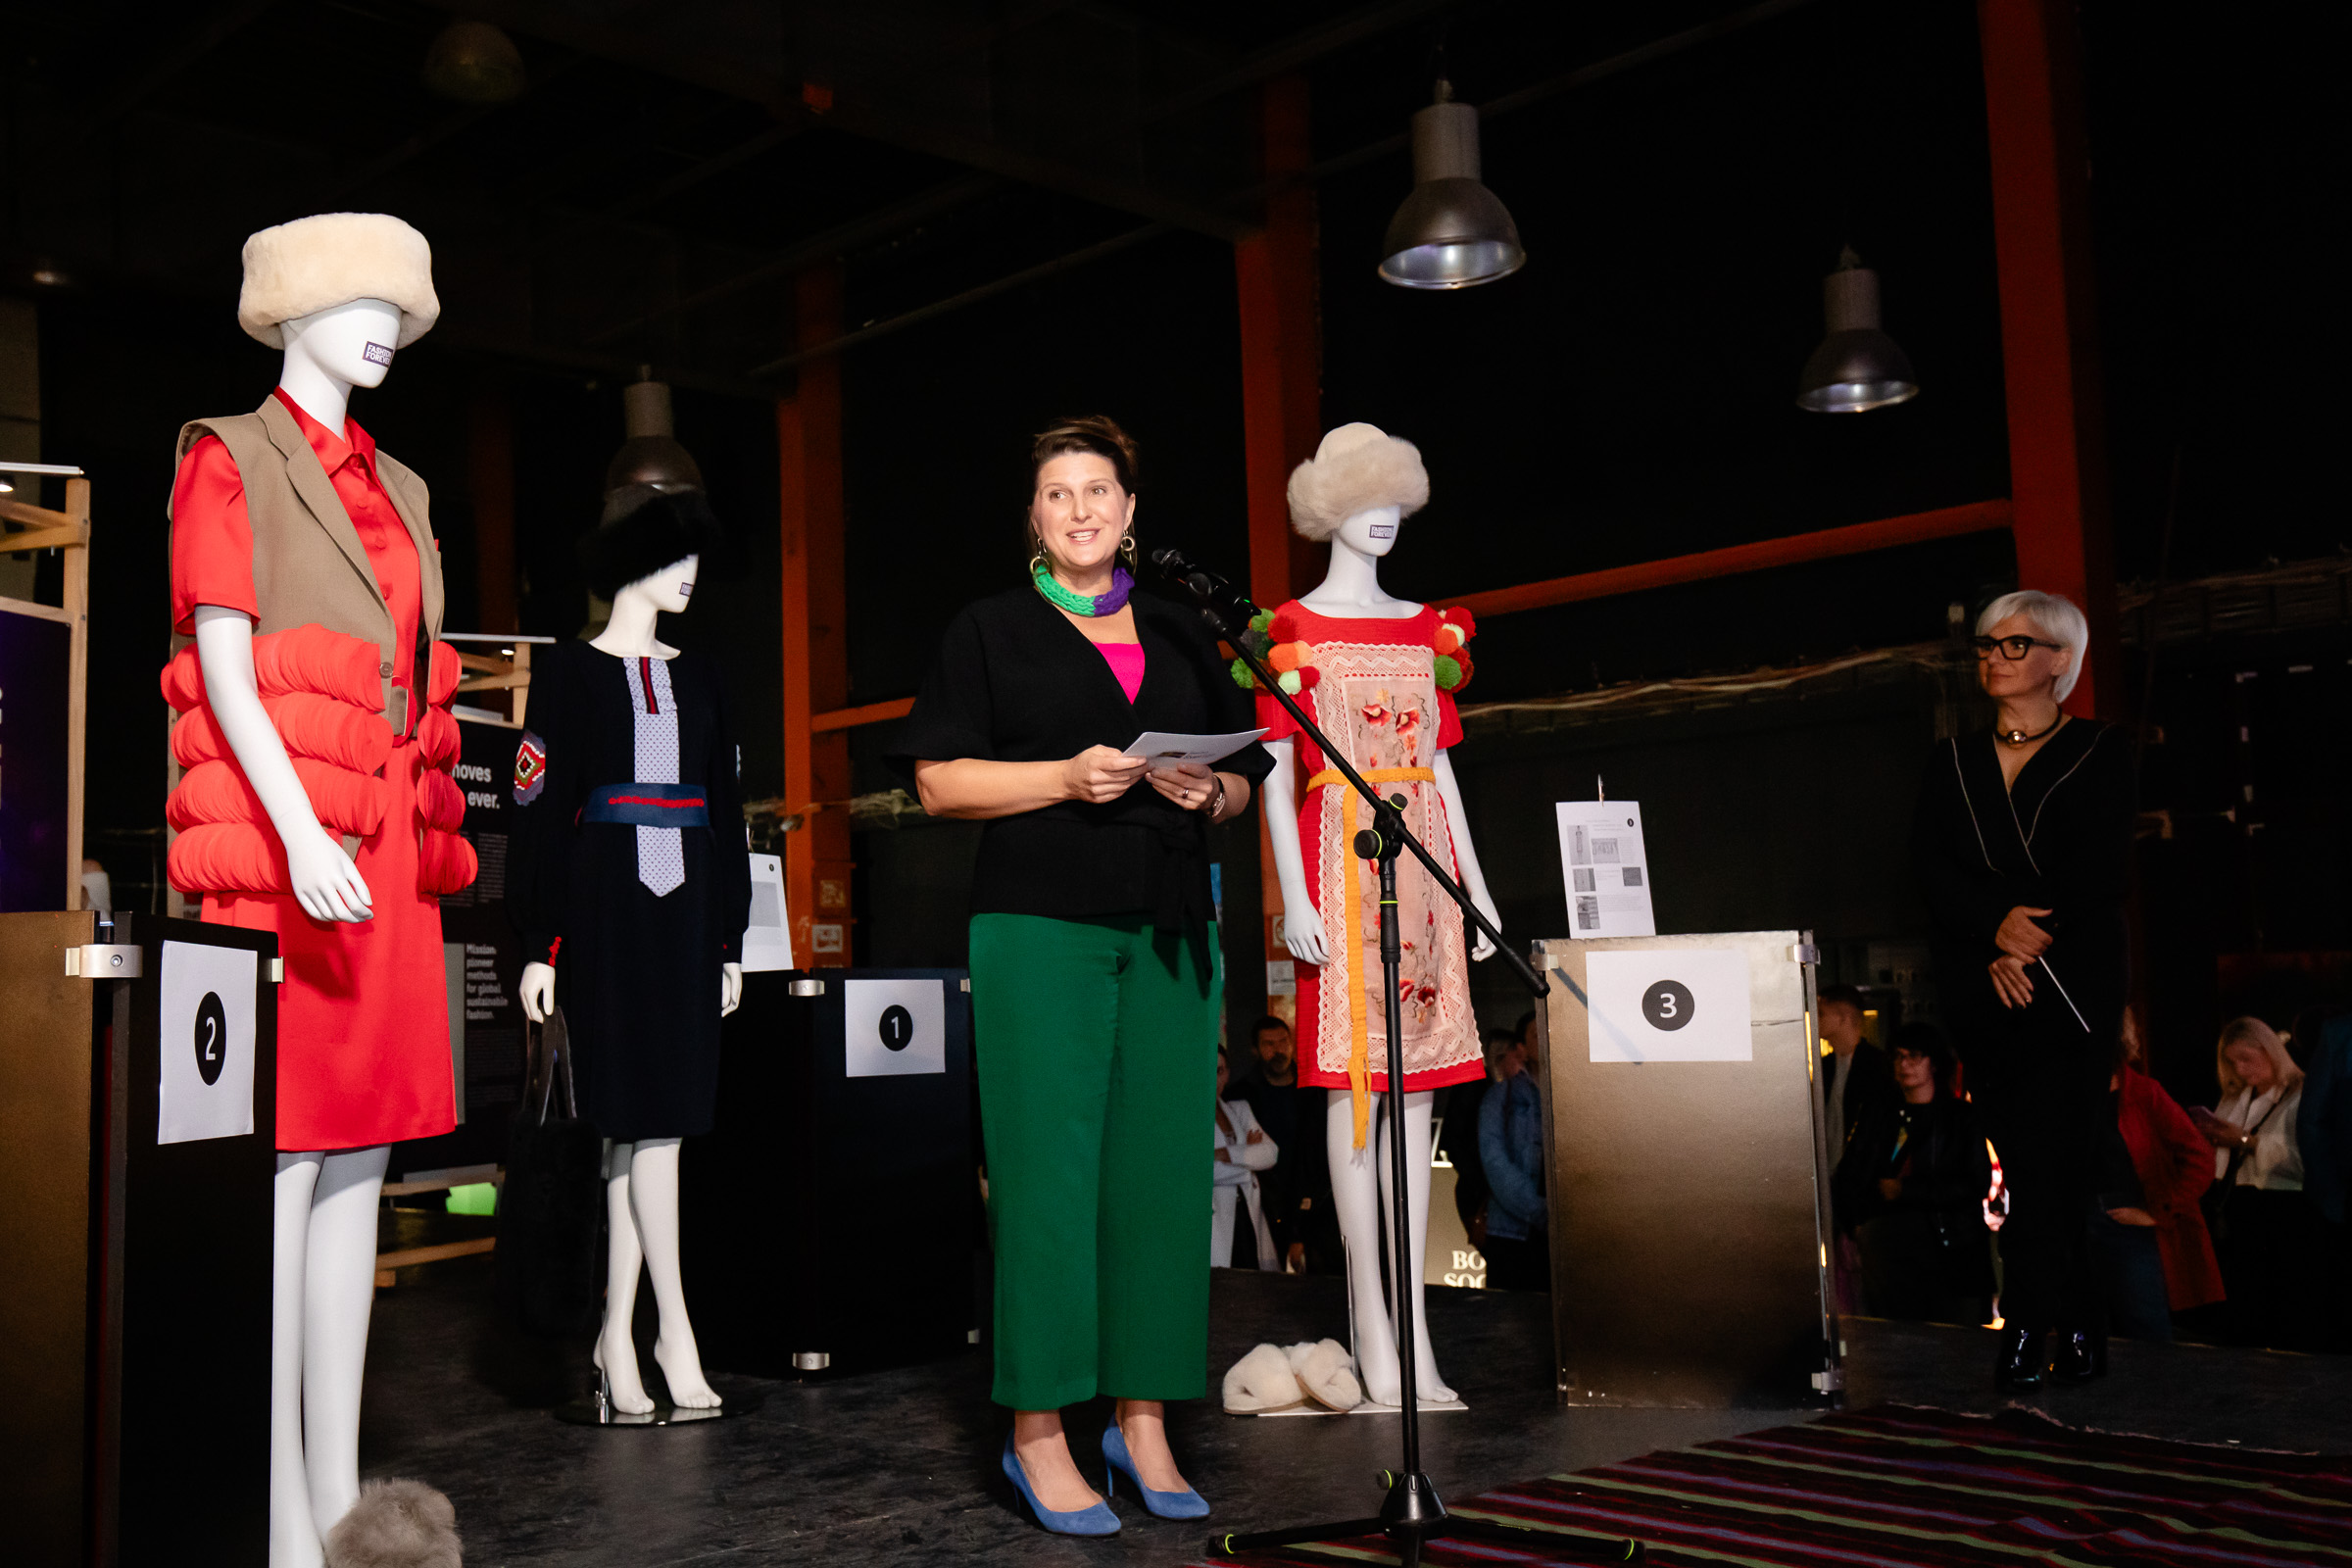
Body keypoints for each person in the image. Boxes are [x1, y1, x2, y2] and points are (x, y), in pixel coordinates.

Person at [891, 416, 1272, 1536]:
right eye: (1058, 493)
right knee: (1046, 1178)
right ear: (1034, 517)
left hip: (1172, 925)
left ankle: (1141, 1420)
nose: (1080, 510)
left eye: (1097, 489)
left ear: (1130, 509)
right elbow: (939, 784)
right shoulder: (991, 629)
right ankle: (1040, 1431)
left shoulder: (1182, 627)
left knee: (1163, 1178)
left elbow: (1244, 778)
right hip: (1039, 924)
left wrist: (1213, 793)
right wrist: (1062, 777)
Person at [1912, 589, 2133, 1389]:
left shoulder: (2103, 749)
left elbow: (2099, 867)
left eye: (2014, 644)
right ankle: (2080, 1322)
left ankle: (2033, 1322)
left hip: (2070, 980)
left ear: (2059, 660)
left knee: (2059, 1159)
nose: (1994, 658)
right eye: (1987, 645)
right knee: (2027, 1158)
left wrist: (2027, 937)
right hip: (1984, 982)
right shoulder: (1951, 760)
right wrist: (1994, 933)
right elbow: (1932, 871)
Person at [1832, 1024, 1994, 1325]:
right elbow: (1849, 1173)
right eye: (1898, 1056)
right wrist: (1857, 1224)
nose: (1903, 1064)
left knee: (1951, 1332)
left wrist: (1907, 1190)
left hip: (1950, 1245)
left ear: (1934, 1063)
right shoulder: (1879, 1115)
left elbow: (1976, 1182)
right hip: (1889, 1244)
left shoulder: (1959, 1118)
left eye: (1914, 1056)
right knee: (1896, 1329)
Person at [2193, 1017, 2313, 1349]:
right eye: (2232, 1062)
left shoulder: (2301, 1093)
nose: (2241, 1069)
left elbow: (2304, 1163)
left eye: (2247, 1059)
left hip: (2282, 1207)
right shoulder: (2235, 1098)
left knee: (2282, 1306)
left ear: (2270, 1050)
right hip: (2236, 1205)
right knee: (2243, 1304)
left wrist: (2246, 1141)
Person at [2107, 1007, 2222, 1337]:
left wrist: (2159, 1212)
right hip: (2081, 1226)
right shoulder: (2069, 1099)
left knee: (2144, 1332)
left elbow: (2200, 1158)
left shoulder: (2144, 1094)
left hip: (2130, 1226)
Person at [1240, 1015, 1338, 1273]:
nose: (1278, 1050)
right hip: (1264, 1202)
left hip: (1313, 1205)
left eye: (1283, 1041)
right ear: (1255, 1049)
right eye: (1269, 1044)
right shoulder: (1242, 1097)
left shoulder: (1314, 1092)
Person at [1478, 1015, 1549, 1292]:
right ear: (1522, 1048)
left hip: (1561, 1234)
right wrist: (1540, 1210)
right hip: (1512, 1231)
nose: (1546, 1038)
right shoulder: (1500, 1096)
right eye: (1536, 1034)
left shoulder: (1575, 1097)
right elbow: (1494, 1159)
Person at [1212, 1045, 1280, 1270]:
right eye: (1208, 1071)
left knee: (1253, 1275)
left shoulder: (1239, 1109)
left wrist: (1224, 1154)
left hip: (1248, 1212)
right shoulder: (1188, 1120)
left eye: (1220, 1071)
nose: (1214, 1079)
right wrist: (1248, 1163)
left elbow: (1270, 1153)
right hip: (1216, 1216)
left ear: (1227, 1073)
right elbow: (1202, 1171)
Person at [1819, 984, 1891, 1175]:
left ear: (1843, 1017)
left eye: (1821, 1014)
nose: (1816, 1020)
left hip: (1859, 1176)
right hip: (1831, 1174)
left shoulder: (1877, 1065)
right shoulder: (1825, 1066)